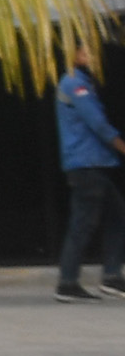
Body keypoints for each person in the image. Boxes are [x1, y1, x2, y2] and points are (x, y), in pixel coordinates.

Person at [60, 56, 124, 302]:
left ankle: (111, 277)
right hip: (86, 164)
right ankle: (67, 283)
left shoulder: (83, 82)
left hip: (92, 164)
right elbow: (98, 124)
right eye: (86, 49)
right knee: (83, 224)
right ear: (73, 52)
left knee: (116, 217)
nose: (92, 55)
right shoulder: (76, 84)